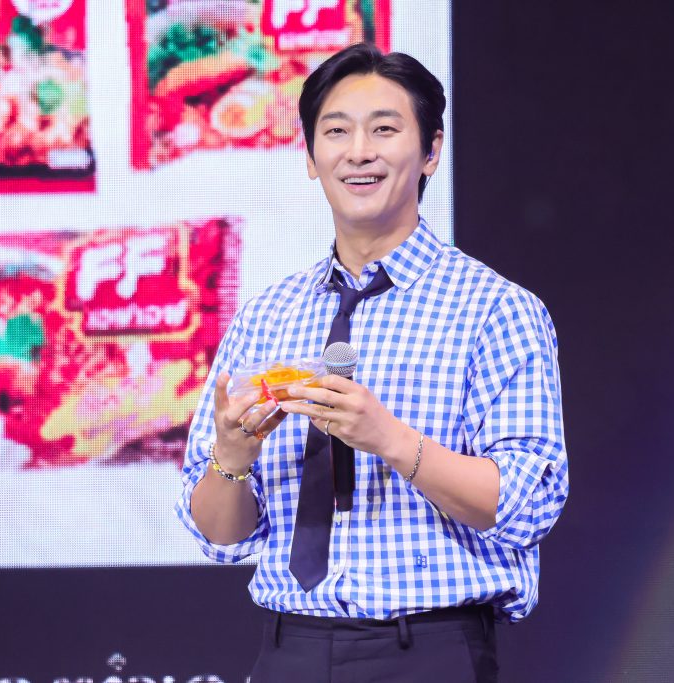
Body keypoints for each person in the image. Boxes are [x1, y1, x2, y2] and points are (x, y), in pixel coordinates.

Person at [175, 42, 568, 682]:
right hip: (290, 651)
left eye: (384, 129)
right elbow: (220, 536)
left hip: (430, 652)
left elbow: (527, 505)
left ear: (431, 151)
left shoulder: (496, 310)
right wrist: (232, 457)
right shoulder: (264, 317)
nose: (359, 151)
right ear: (311, 157)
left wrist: (387, 438)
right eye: (336, 131)